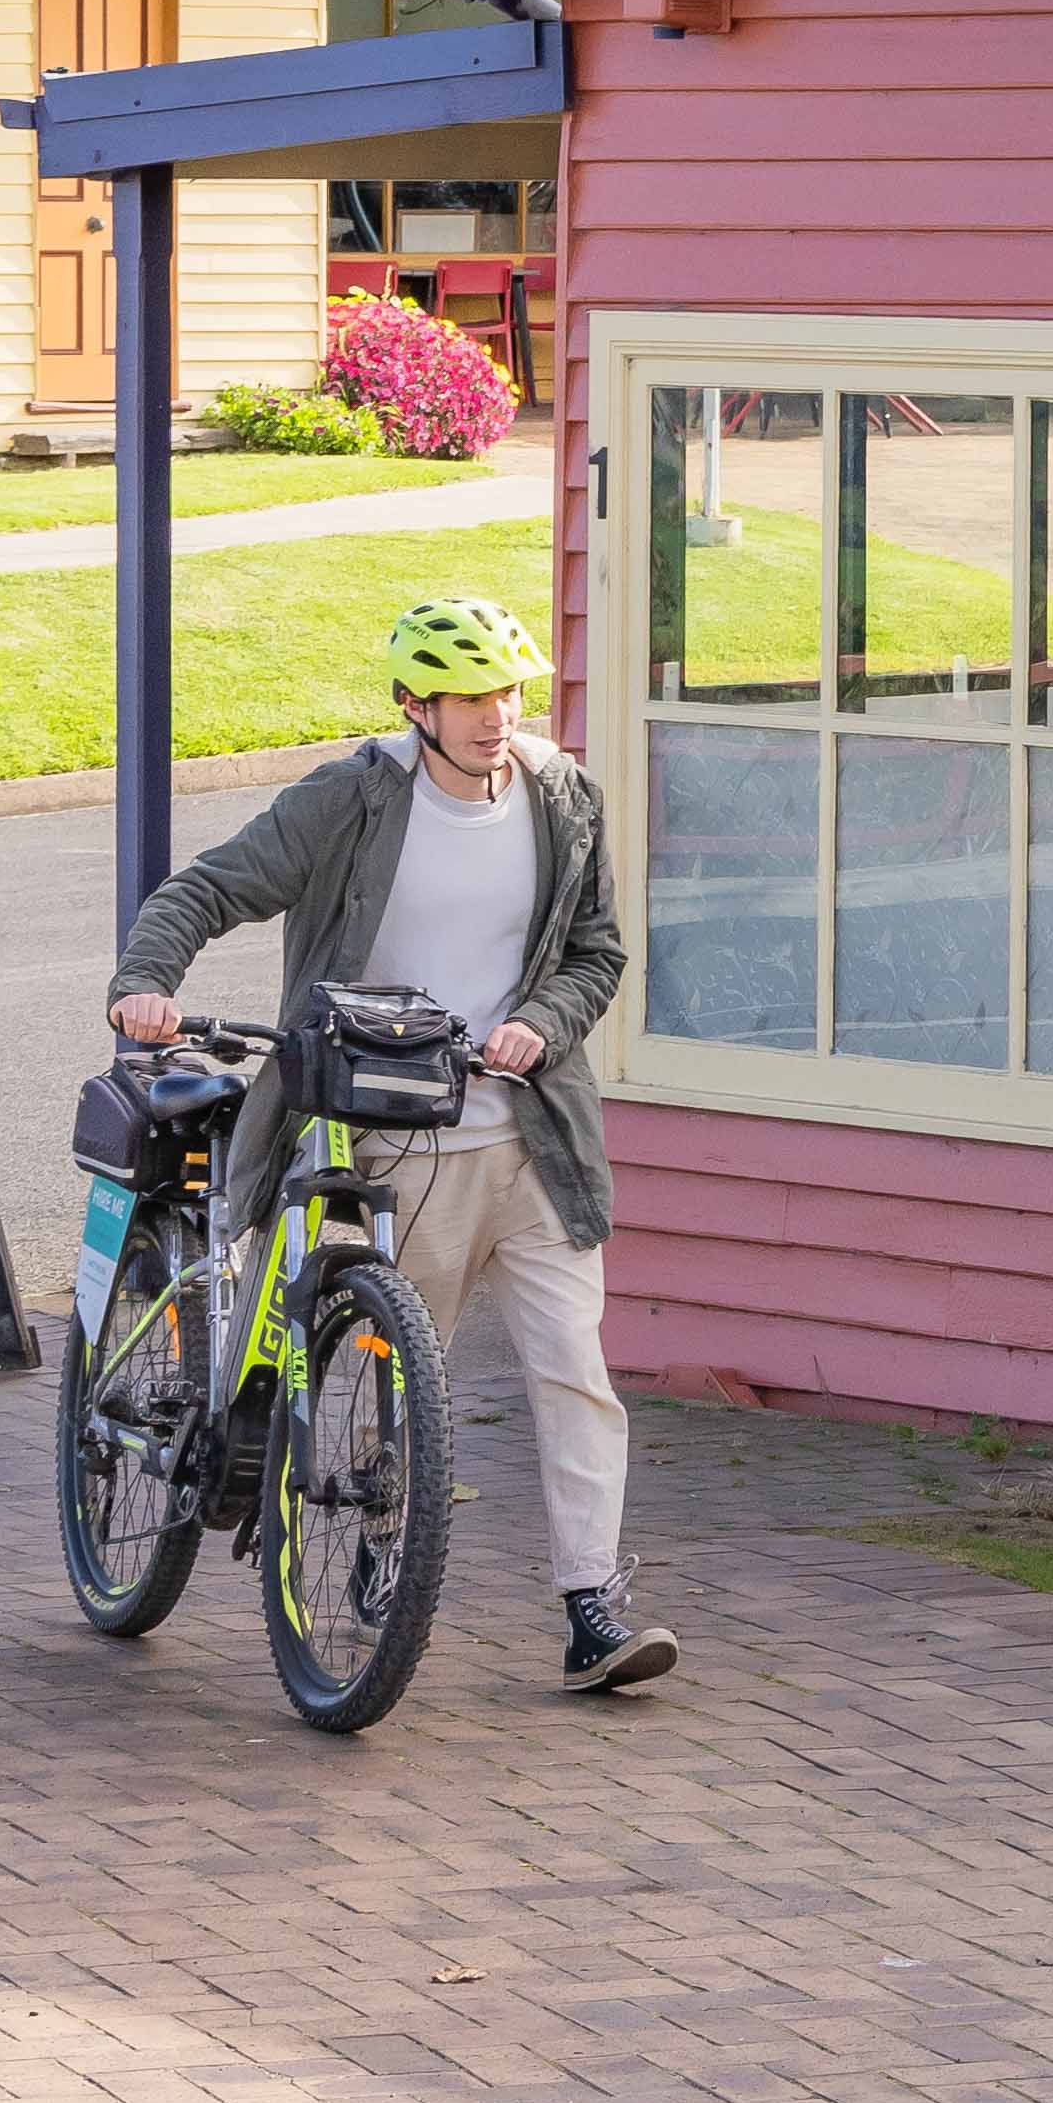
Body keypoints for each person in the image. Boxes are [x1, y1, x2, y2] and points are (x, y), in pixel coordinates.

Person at [106, 585, 661, 1694]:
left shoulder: (565, 798)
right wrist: (144, 982)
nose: (491, 710)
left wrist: (537, 1024)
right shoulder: (353, 800)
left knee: (579, 1377)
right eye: (464, 693)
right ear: (415, 703)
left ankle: (594, 1605)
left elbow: (596, 951)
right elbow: (210, 887)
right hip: (387, 1140)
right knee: (396, 1373)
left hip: (531, 1138)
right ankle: (374, 1541)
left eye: (504, 687)